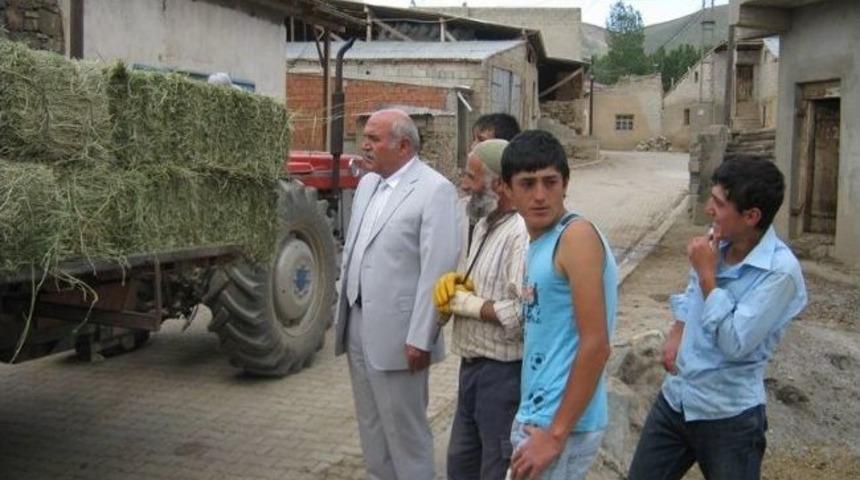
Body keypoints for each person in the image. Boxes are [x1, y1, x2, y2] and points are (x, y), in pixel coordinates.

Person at [627, 155, 807, 480]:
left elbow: (735, 343)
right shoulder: (717, 242)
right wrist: (678, 330)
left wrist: (708, 277)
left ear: (751, 216)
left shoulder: (781, 272)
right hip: (678, 398)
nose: (709, 209)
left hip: (728, 415)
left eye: (719, 204)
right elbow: (692, 291)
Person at [333, 109, 461, 480]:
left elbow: (439, 270)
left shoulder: (434, 190)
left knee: (405, 434)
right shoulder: (369, 185)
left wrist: (422, 336)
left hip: (402, 335)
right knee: (371, 426)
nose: (365, 145)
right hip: (358, 322)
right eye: (365, 137)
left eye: (374, 138)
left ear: (403, 146)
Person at [502, 130, 617, 480]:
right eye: (527, 184)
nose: (540, 195)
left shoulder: (575, 237)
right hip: (541, 417)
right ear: (507, 190)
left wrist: (554, 435)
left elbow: (596, 345)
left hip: (557, 427)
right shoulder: (541, 243)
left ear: (565, 184)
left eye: (550, 182)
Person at [433, 139, 529, 479]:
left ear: (499, 184)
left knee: (495, 469)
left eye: (471, 177)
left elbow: (522, 315)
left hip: (501, 377)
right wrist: (453, 292)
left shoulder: (521, 234)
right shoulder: (485, 223)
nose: (463, 185)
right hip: (471, 369)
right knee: (461, 465)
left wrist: (467, 304)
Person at [460, 113, 521, 253]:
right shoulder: (482, 216)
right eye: (474, 139)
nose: (473, 146)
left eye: (481, 140)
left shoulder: (519, 231)